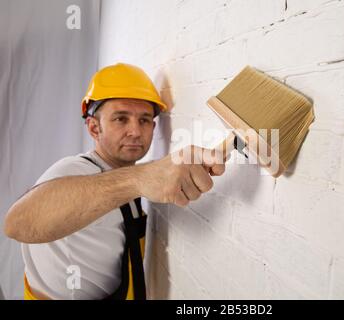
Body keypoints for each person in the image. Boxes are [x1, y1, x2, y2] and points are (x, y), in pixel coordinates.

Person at [3, 63, 225, 300]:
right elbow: (18, 223)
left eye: (144, 120)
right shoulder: (74, 170)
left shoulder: (122, 175)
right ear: (94, 127)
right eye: (121, 119)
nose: (135, 131)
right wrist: (139, 178)